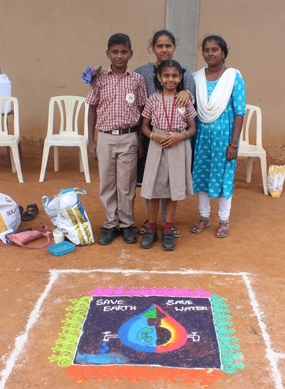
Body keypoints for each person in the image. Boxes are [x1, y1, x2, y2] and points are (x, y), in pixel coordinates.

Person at [86, 33, 148, 245]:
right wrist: (91, 140)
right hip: (105, 137)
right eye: (115, 52)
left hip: (129, 137)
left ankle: (127, 224)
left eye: (123, 52)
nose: (119, 56)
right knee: (107, 183)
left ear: (131, 54)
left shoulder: (137, 80)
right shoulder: (99, 79)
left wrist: (140, 141)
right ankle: (111, 224)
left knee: (126, 184)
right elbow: (92, 109)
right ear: (108, 54)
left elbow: (142, 111)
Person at [134, 30, 196, 239]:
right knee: (153, 183)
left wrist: (187, 93)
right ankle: (151, 224)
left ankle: (167, 225)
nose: (164, 49)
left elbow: (192, 123)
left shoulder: (185, 80)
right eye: (159, 45)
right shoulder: (143, 76)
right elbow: (143, 122)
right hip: (154, 141)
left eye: (168, 45)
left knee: (172, 186)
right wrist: (151, 137)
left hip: (178, 143)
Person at [190, 34, 246, 238]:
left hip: (225, 140)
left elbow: (239, 111)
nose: (210, 53)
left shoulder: (233, 77)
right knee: (201, 176)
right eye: (206, 50)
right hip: (201, 138)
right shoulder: (196, 77)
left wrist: (234, 143)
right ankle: (204, 217)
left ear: (223, 52)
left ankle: (224, 221)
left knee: (224, 178)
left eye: (214, 49)